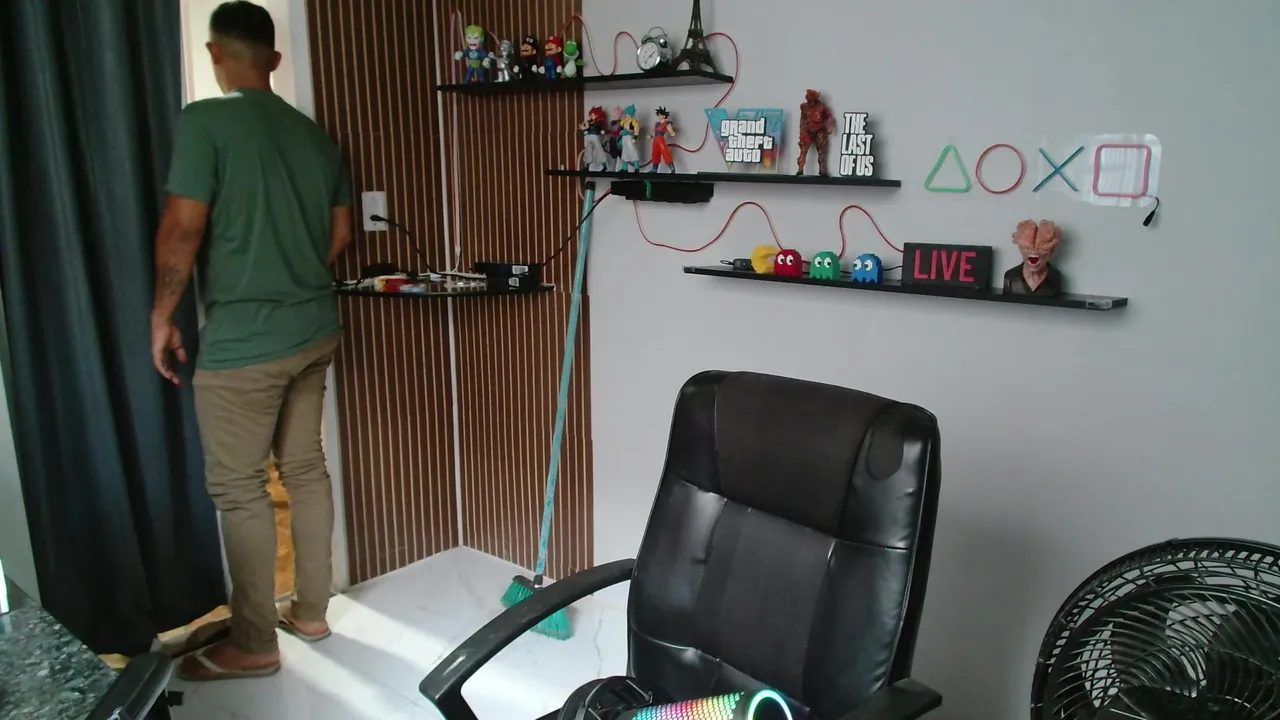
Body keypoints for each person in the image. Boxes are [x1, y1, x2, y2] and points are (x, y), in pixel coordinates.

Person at [150, 0, 352, 681]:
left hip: (246, 342)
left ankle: (255, 642)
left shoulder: (204, 121)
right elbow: (339, 237)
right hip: (314, 328)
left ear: (216, 54)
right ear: (274, 59)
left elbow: (183, 226)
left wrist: (162, 315)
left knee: (240, 490)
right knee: (306, 469)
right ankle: (312, 612)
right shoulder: (316, 139)